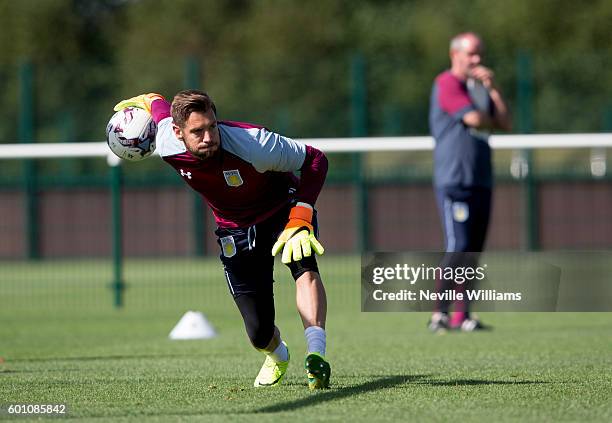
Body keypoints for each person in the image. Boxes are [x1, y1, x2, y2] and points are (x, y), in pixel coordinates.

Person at [113, 90, 331, 389]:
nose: (208, 137)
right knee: (258, 332)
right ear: (178, 132)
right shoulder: (165, 142)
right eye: (197, 131)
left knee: (302, 263)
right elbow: (160, 108)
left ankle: (316, 354)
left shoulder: (254, 144)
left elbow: (315, 160)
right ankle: (278, 356)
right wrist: (151, 99)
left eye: (212, 127)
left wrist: (301, 217)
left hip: (284, 210)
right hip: (234, 229)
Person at [428, 32, 512, 332]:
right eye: (471, 54)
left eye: (480, 54)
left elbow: (505, 123)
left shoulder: (479, 87)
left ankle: (463, 316)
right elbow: (474, 120)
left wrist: (493, 89)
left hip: (481, 179)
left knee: (474, 249)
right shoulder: (447, 83)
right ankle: (439, 313)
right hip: (455, 179)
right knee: (458, 245)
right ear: (455, 55)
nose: (477, 60)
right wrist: (484, 116)